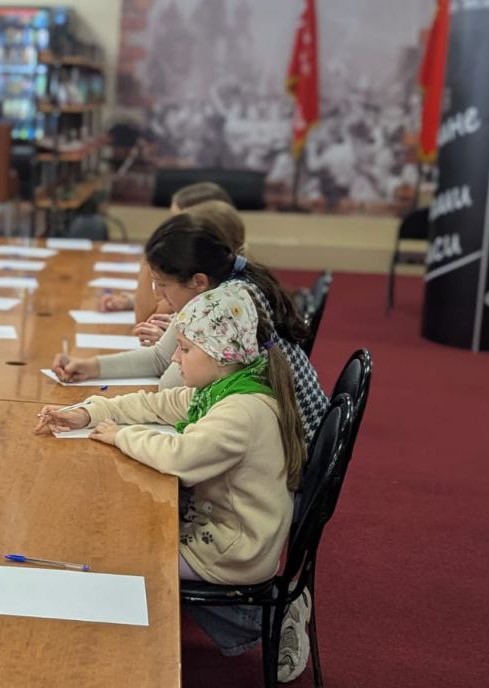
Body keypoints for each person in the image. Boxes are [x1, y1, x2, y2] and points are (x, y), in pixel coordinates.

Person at [35, 281, 312, 682]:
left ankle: (122, 662)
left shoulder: (241, 412)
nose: (176, 361)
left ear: (221, 354)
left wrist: (120, 435)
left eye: (185, 349)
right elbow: (157, 403)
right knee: (125, 532)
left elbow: (180, 459)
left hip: (230, 547)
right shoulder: (223, 387)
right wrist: (89, 412)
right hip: (222, 527)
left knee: (125, 556)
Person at [52, 211, 329, 437]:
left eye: (161, 284)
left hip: (289, 449)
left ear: (198, 281)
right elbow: (161, 357)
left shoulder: (225, 308)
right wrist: (91, 366)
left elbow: (172, 386)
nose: (157, 294)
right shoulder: (214, 291)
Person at [98, 182, 234, 342]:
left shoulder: (207, 273)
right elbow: (164, 303)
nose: (171, 228)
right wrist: (129, 301)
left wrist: (149, 259)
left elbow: (146, 322)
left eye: (178, 221)